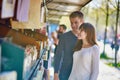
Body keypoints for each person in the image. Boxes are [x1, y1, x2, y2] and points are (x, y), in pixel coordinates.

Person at [54, 11, 84, 80]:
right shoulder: (64, 37)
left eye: (76, 22)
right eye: (71, 23)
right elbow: (58, 55)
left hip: (80, 75)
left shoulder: (85, 38)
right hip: (65, 74)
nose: (73, 25)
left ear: (82, 21)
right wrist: (56, 73)